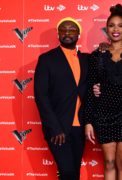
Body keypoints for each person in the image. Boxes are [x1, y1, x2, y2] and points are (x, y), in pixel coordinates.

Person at [83, 4, 122, 180]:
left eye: (120, 25)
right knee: (110, 163)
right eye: (112, 25)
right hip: (104, 114)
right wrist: (88, 120)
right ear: (106, 29)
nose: (116, 29)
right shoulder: (98, 55)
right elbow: (91, 88)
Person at [34, 17, 89, 180]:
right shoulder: (47, 59)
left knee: (75, 172)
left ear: (78, 34)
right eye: (63, 30)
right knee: (66, 171)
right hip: (58, 128)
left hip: (80, 127)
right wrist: (55, 127)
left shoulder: (86, 59)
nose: (67, 33)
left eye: (72, 30)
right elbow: (41, 96)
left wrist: (103, 48)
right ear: (58, 34)